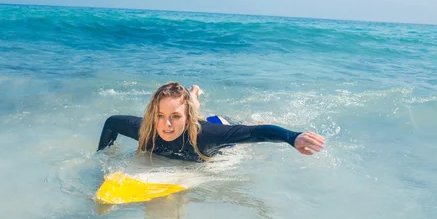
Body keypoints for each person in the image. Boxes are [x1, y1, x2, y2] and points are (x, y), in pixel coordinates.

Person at [96, 82, 325, 162]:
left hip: (218, 124)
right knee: (184, 109)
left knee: (243, 143)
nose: (166, 125)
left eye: (175, 117)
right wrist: (102, 156)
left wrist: (292, 137)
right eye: (159, 116)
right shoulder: (145, 130)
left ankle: (193, 97)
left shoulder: (208, 136)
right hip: (193, 117)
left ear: (186, 121)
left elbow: (256, 133)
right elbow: (110, 123)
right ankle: (193, 95)